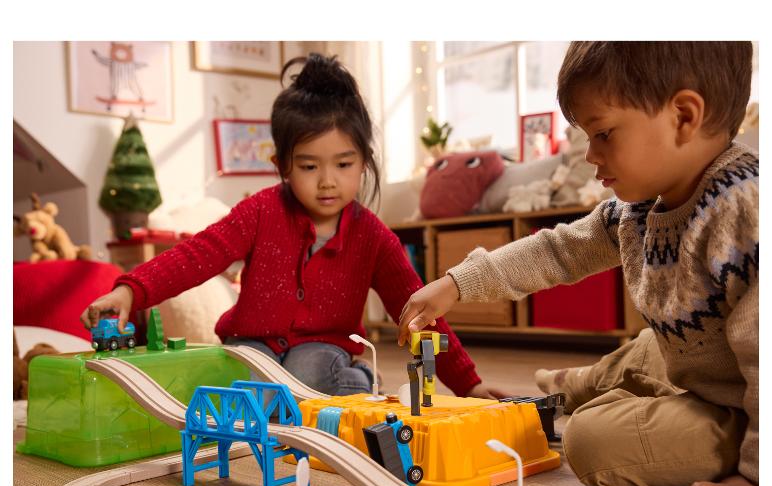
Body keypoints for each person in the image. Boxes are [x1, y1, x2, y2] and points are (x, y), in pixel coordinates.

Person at [398, 42, 757, 486]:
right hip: (697, 364)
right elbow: (555, 250)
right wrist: (455, 284)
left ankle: (598, 405)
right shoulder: (637, 210)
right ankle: (565, 392)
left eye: (604, 133)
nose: (590, 154)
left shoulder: (743, 211)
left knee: (589, 442)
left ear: (684, 116)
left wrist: (756, 478)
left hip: (746, 404)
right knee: (644, 349)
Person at [82, 53, 481, 397]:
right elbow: (196, 255)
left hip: (322, 349)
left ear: (364, 161)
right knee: (245, 384)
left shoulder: (374, 237)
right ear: (282, 165)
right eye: (309, 166)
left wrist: (470, 385)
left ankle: (359, 379)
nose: (327, 180)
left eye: (343, 164)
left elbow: (422, 310)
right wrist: (130, 292)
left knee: (306, 374)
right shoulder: (260, 211)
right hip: (250, 342)